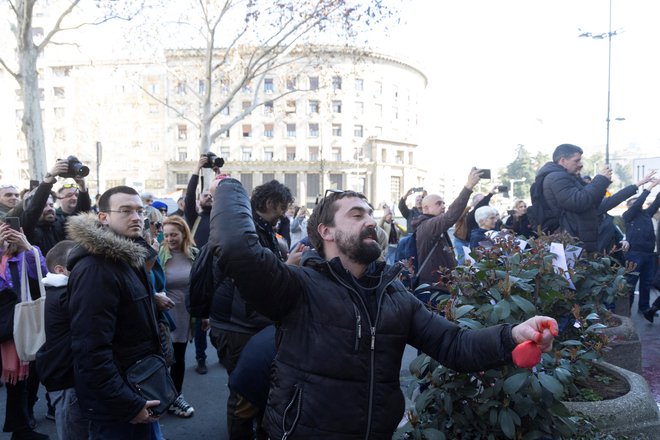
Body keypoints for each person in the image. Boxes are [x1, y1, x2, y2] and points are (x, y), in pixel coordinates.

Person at [210, 178, 558, 439]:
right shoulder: (298, 287)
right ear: (325, 231)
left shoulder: (395, 296)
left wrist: (513, 335)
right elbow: (237, 247)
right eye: (357, 214)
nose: (372, 222)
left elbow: (455, 346)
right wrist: (228, 186)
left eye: (372, 214)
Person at [66, 186, 165, 439]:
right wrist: (126, 404)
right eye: (125, 211)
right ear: (103, 217)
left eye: (140, 211)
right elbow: (91, 349)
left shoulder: (129, 257)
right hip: (119, 405)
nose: (136, 217)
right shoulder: (96, 269)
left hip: (138, 387)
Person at [206, 180, 294, 439]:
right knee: (243, 393)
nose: (284, 213)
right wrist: (288, 265)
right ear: (269, 203)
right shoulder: (248, 232)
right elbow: (256, 278)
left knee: (251, 388)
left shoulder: (255, 228)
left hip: (244, 322)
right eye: (282, 207)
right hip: (238, 326)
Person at [0, 223, 49, 440]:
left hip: (18, 325)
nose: (9, 233)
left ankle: (21, 428)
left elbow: (43, 277)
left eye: (14, 228)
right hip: (5, 322)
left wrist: (27, 247)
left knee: (21, 382)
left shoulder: (30, 251)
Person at [37, 240, 90, 440]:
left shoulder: (61, 290)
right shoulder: (63, 295)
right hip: (66, 378)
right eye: (76, 261)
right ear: (60, 269)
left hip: (67, 374)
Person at [413, 168, 482, 288]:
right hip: (434, 288)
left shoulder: (433, 225)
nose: (443, 206)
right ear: (426, 208)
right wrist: (468, 187)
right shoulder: (428, 225)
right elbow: (451, 216)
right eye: (439, 203)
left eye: (444, 203)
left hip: (442, 285)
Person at [536, 144, 612, 252]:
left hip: (577, 237)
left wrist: (602, 183)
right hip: (573, 239)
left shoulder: (565, 177)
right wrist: (600, 180)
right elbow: (578, 202)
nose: (580, 164)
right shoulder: (557, 177)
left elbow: (591, 202)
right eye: (576, 161)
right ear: (562, 161)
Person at [158, 216, 197, 418]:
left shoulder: (194, 255)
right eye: (166, 235)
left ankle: (176, 396)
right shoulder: (158, 254)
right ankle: (161, 396)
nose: (170, 239)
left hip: (185, 314)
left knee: (179, 357)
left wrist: (203, 315)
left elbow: (199, 287)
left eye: (174, 234)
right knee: (162, 357)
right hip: (164, 315)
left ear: (184, 234)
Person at [184, 156, 216, 374]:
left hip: (220, 272)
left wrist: (217, 172)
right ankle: (201, 357)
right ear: (199, 201)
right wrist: (197, 168)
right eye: (206, 195)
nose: (209, 197)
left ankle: (224, 350)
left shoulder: (222, 218)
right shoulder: (193, 217)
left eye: (213, 195)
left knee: (220, 315)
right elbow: (190, 194)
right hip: (200, 274)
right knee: (200, 319)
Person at [622, 178, 660, 315]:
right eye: (633, 204)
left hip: (649, 254)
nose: (637, 205)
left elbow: (657, 201)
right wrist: (649, 187)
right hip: (634, 254)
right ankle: (627, 310)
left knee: (646, 282)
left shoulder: (646, 214)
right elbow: (638, 203)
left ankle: (644, 308)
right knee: (631, 283)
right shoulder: (628, 216)